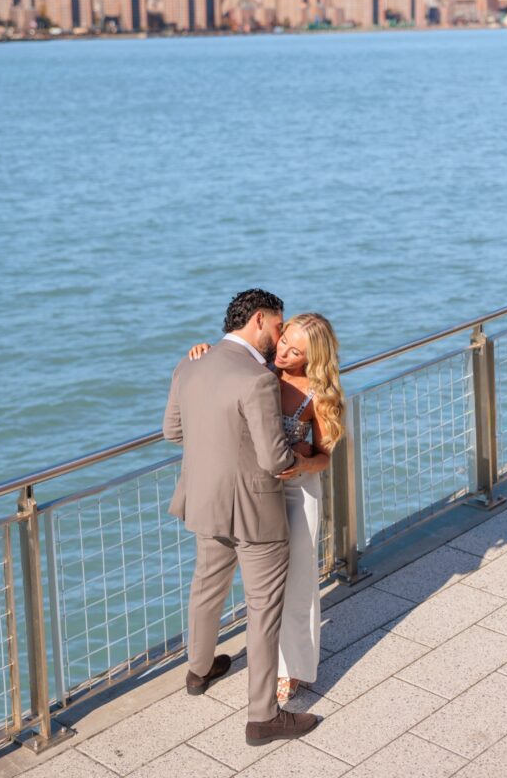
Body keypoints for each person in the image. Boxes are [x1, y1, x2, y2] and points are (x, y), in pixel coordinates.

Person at [163, 289, 321, 747]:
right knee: (262, 609)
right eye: (277, 324)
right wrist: (305, 452)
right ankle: (262, 716)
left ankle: (198, 670)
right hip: (255, 508)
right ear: (258, 320)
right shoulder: (258, 379)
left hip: (203, 500)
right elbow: (274, 459)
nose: (280, 334)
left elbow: (174, 431)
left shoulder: (191, 362)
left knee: (206, 588)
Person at [188, 311, 345, 704]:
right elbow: (227, 367)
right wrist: (205, 354)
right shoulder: (259, 364)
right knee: (242, 584)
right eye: (285, 341)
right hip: (250, 489)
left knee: (297, 583)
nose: (284, 353)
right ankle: (207, 665)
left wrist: (304, 463)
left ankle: (293, 669)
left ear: (315, 357)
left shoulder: (319, 394)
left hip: (296, 492)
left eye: (296, 352)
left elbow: (325, 454)